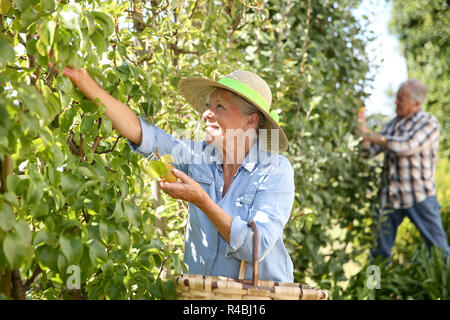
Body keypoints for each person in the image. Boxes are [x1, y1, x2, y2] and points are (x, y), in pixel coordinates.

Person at [61, 67, 295, 282]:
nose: (206, 114)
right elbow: (142, 133)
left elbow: (256, 246)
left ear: (250, 120)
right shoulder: (199, 156)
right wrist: (83, 80)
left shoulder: (274, 170)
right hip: (203, 298)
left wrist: (202, 201)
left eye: (220, 107)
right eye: (207, 106)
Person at [357, 79, 449, 262]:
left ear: (416, 103)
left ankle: (445, 287)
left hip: (420, 197)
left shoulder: (429, 123)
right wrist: (362, 126)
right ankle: (374, 288)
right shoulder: (392, 124)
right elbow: (368, 152)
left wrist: (368, 134)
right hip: (389, 199)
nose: (396, 103)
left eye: (401, 99)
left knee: (439, 251)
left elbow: (405, 147)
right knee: (377, 253)